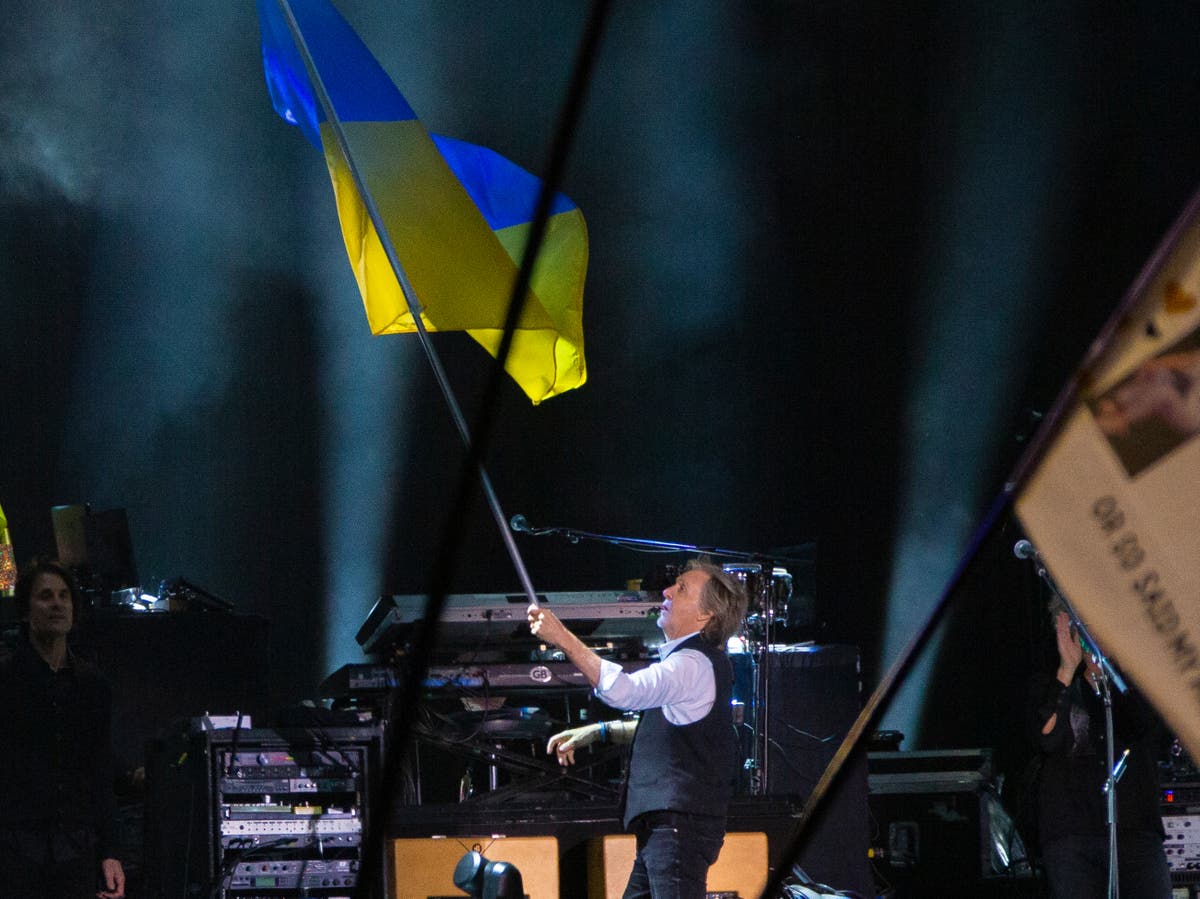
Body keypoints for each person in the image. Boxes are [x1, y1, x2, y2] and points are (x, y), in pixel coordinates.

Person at [528, 559, 748, 899]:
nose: (667, 590)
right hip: (667, 827)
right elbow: (669, 728)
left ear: (706, 614)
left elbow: (624, 691)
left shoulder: (691, 663)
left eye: (682, 588)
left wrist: (563, 638)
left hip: (678, 826)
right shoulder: (691, 664)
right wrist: (598, 731)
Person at [0, 558, 126, 899]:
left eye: (64, 596)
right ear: (26, 611)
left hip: (75, 850)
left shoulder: (93, 686)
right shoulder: (7, 682)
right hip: (15, 851)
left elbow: (99, 770)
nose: (57, 603)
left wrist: (110, 851)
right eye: (45, 596)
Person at [1030, 604, 1171, 899]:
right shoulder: (1053, 683)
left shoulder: (1139, 685)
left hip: (1136, 831)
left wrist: (1112, 675)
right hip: (1074, 834)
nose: (1096, 640)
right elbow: (1048, 738)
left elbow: (1144, 727)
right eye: (1086, 630)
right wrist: (1067, 671)